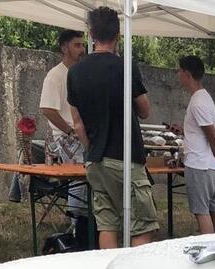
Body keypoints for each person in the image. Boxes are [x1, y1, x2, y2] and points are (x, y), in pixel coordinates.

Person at [67, 6, 158, 248]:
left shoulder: (74, 72)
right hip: (125, 158)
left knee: (107, 224)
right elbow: (145, 110)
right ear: (118, 34)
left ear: (91, 34)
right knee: (142, 225)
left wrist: (92, 148)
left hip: (95, 160)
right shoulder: (126, 67)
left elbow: (77, 124)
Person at [39, 29, 88, 238]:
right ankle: (77, 227)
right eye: (77, 45)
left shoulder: (82, 73)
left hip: (85, 134)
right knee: (78, 180)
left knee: (89, 179)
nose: (82, 49)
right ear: (64, 47)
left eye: (82, 45)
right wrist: (70, 131)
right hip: (66, 138)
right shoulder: (55, 76)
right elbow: (47, 109)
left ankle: (86, 223)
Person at [174, 55, 215, 234]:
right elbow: (202, 132)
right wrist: (183, 130)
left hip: (199, 166)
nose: (177, 74)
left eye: (179, 70)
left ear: (187, 73)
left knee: (202, 212)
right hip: (209, 167)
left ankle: (211, 248)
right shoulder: (204, 98)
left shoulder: (198, 102)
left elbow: (213, 138)